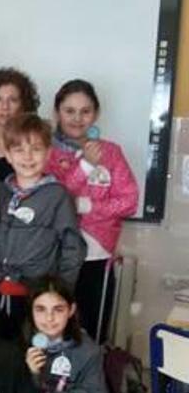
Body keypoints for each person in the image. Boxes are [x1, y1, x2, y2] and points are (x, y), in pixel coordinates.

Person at [46, 79, 139, 342]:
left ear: (95, 114)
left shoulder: (111, 152)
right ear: (57, 113)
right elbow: (53, 199)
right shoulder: (44, 152)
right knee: (52, 333)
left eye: (85, 111)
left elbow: (129, 201)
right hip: (54, 254)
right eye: (69, 110)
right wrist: (85, 166)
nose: (77, 118)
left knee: (91, 334)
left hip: (97, 257)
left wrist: (88, 206)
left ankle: (87, 383)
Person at [0, 113, 86, 338]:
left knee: (33, 356)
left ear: (49, 153)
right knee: (1, 354)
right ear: (8, 155)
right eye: (19, 150)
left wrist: (59, 293)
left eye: (36, 149)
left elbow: (73, 247)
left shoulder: (58, 195)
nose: (28, 156)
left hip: (37, 296)